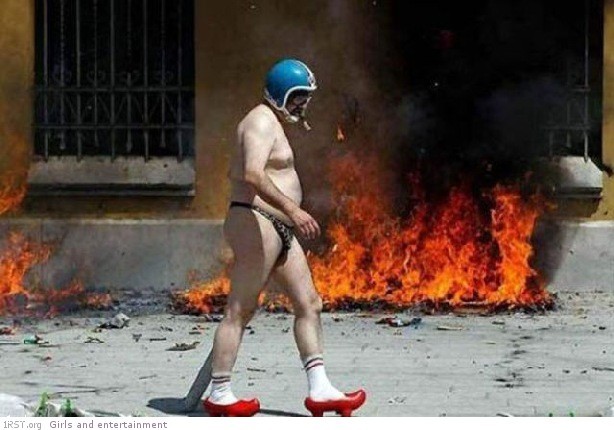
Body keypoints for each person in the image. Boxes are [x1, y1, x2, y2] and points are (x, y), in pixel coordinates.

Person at [202, 59, 366, 417]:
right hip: (255, 221)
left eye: (305, 96)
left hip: (276, 227)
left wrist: (288, 217)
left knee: (310, 303)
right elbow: (252, 174)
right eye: (298, 96)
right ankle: (219, 392)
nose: (303, 103)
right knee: (240, 309)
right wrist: (294, 210)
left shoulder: (273, 123)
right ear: (280, 93)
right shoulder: (260, 121)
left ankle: (320, 389)